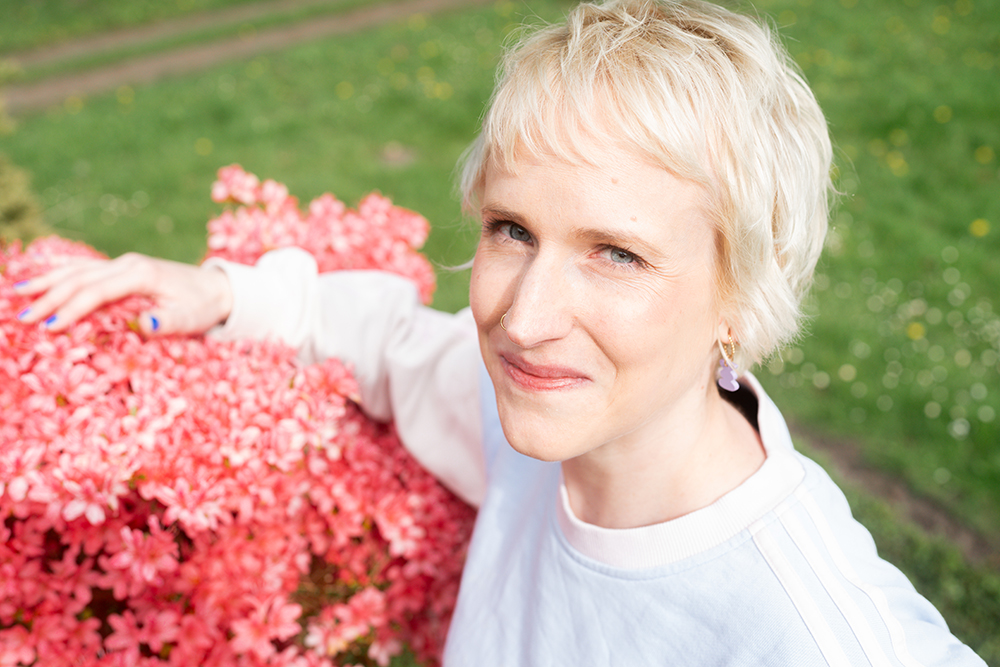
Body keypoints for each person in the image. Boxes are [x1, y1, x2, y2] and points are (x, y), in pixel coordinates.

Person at [14, 0, 986, 664]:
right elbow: (394, 346)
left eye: (616, 253)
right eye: (512, 229)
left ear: (741, 292)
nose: (523, 318)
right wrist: (224, 294)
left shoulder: (814, 638)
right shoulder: (538, 421)